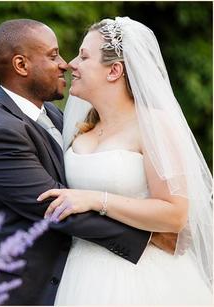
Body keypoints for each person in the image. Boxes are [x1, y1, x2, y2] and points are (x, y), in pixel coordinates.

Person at [0, 18, 153, 305]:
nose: (65, 64)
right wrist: (148, 240)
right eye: (53, 56)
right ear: (21, 66)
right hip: (8, 292)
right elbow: (56, 208)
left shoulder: (49, 113)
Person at [37, 17, 213, 304]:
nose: (71, 64)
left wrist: (96, 199)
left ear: (114, 70)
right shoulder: (81, 127)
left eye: (83, 56)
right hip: (80, 274)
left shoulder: (153, 125)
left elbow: (176, 214)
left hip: (141, 278)